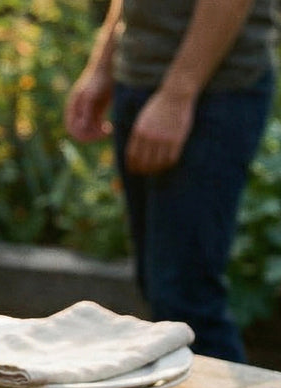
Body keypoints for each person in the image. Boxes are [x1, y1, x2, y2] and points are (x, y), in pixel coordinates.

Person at [64, 0, 279, 362]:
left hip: (214, 91)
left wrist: (178, 94)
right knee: (160, 286)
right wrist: (105, 65)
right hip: (143, 81)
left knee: (187, 301)